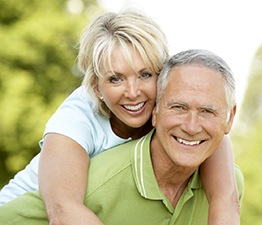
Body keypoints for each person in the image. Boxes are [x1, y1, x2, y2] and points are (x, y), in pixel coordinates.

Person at [0, 8, 240, 225]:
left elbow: (223, 188)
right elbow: (63, 211)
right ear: (96, 87)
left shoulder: (173, 109)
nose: (133, 92)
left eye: (145, 74)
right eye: (116, 79)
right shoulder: (75, 119)